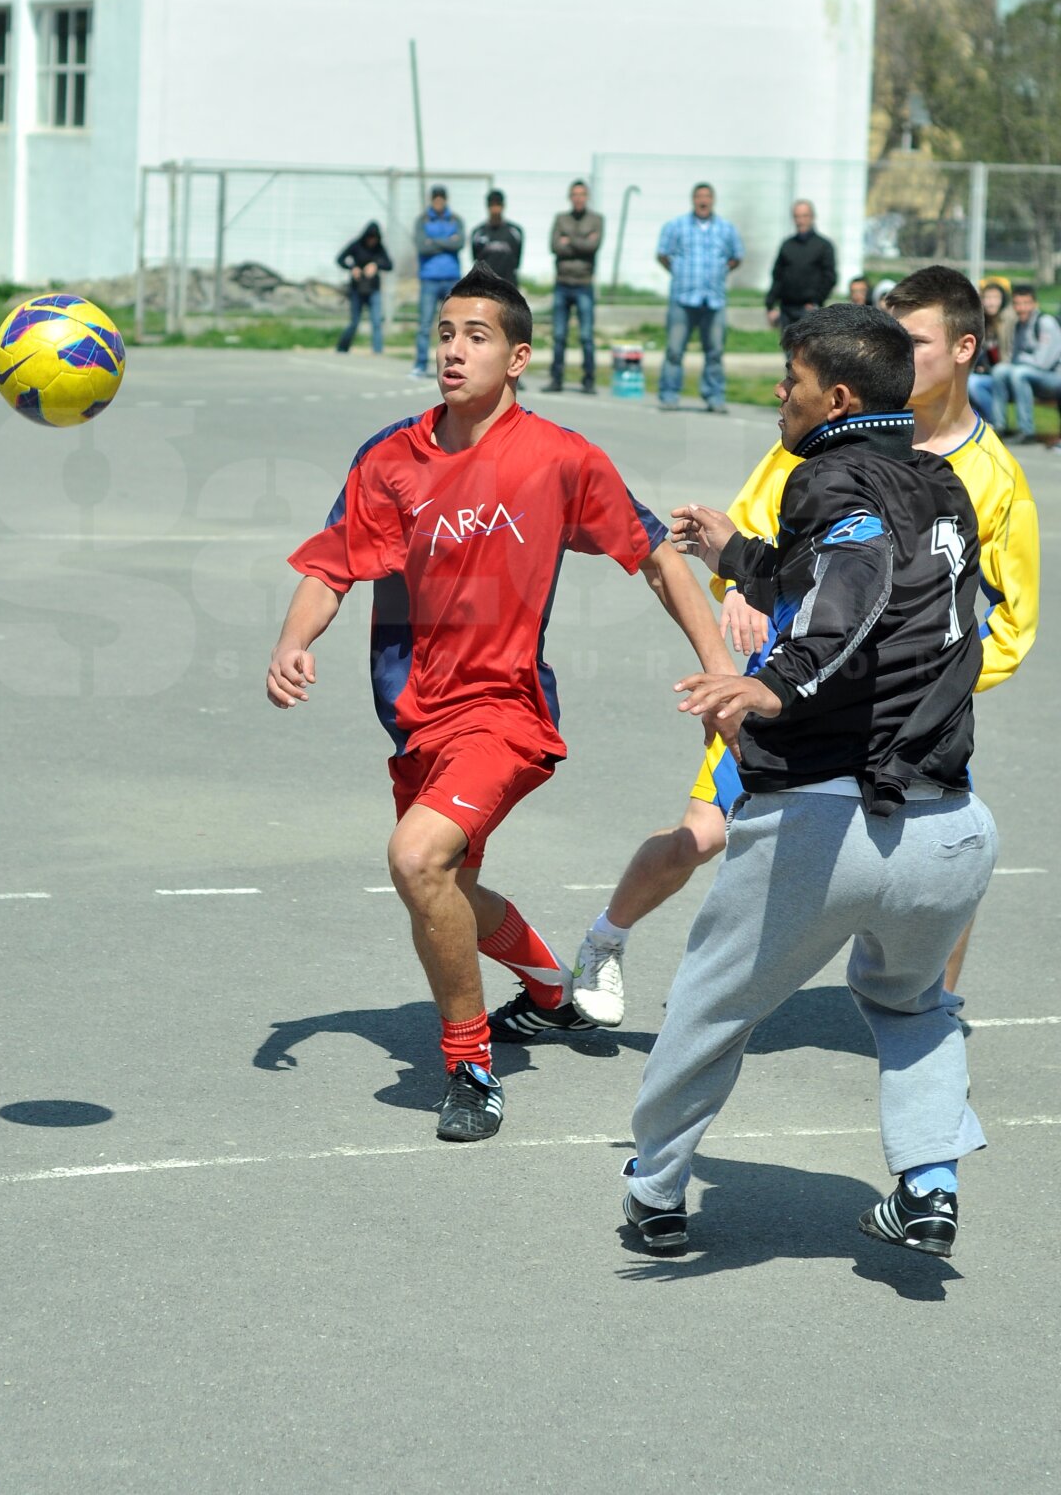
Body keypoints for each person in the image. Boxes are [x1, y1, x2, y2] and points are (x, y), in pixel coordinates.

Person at [266, 261, 733, 1145]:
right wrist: (295, 641)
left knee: (415, 859)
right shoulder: (390, 457)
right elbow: (330, 565)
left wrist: (720, 673)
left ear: (518, 357)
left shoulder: (559, 458)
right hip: (417, 715)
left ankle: (471, 1067)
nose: (453, 350)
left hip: (506, 711)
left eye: (475, 337)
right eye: (445, 332)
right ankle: (552, 990)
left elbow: (657, 556)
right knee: (445, 887)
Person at [622, 304, 996, 1260]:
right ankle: (929, 1182)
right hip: (950, 827)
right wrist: (737, 556)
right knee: (915, 1004)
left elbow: (856, 578)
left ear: (833, 398)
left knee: (711, 1005)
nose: (776, 397)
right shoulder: (941, 479)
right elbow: (866, 572)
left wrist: (772, 682)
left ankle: (657, 1191)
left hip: (829, 821)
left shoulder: (826, 475)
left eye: (787, 382)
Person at [570, 265, 1037, 1023]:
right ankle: (606, 939)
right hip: (793, 683)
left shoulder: (989, 476)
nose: (896, 349)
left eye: (913, 339)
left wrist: (925, 679)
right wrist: (742, 599)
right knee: (701, 834)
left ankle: (929, 1003)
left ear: (963, 349)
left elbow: (1011, 620)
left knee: (949, 856)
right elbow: (762, 551)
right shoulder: (817, 440)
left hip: (912, 714)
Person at [656, 183, 743, 413]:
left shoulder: (726, 229)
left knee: (714, 351)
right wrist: (680, 272)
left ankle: (714, 396)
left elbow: (736, 256)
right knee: (675, 350)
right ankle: (669, 394)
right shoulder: (677, 226)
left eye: (707, 197)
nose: (703, 201)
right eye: (699, 197)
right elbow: (663, 254)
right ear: (693, 200)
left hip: (713, 299)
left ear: (713, 200)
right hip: (683, 298)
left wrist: (720, 271)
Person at [546, 180, 603, 394]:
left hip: (584, 284)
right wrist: (581, 242)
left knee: (586, 336)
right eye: (575, 194)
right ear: (570, 197)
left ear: (587, 197)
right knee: (559, 335)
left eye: (582, 194)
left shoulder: (596, 220)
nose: (578, 198)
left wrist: (569, 240)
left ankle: (589, 380)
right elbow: (554, 246)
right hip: (562, 283)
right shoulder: (561, 218)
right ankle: (556, 379)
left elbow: (593, 247)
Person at [989, 283, 1061, 441]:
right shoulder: (1018, 326)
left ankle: (1026, 431)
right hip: (1030, 374)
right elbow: (1014, 359)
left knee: (1018, 373)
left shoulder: (1045, 323)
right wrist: (1019, 360)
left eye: (1026, 303)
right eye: (1017, 303)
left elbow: (1043, 363)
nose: (1021, 308)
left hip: (1054, 378)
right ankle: (999, 427)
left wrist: (1022, 358)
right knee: (999, 370)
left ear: (1035, 304)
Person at [411, 186, 465, 379]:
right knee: (425, 324)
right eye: (435, 199)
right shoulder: (423, 220)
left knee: (455, 325)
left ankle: (454, 364)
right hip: (429, 279)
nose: (439, 202)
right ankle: (420, 364)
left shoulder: (455, 219)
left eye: (442, 199)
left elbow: (459, 243)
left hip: (451, 278)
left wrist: (433, 241)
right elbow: (421, 245)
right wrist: (446, 242)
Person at [766, 200, 837, 335]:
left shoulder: (823, 245)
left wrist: (816, 300)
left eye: (805, 216)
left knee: (807, 353)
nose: (801, 220)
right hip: (787, 308)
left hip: (810, 309)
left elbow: (830, 277)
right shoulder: (787, 245)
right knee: (790, 354)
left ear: (812, 217)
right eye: (797, 216)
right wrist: (770, 304)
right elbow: (777, 276)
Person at [335, 221, 393, 355]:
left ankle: (377, 351)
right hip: (357, 289)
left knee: (376, 321)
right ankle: (342, 347)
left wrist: (376, 265)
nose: (372, 241)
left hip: (373, 289)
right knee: (354, 322)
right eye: (369, 238)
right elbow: (340, 259)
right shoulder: (356, 245)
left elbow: (389, 265)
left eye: (374, 238)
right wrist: (352, 268)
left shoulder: (380, 248)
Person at [967, 277, 1013, 426]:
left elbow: (1010, 355)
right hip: (989, 373)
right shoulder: (981, 322)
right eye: (988, 298)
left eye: (996, 298)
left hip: (1007, 374)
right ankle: (976, 423)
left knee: (973, 384)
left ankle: (995, 422)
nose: (991, 302)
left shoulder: (1009, 320)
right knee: (966, 380)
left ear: (1003, 300)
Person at [470, 189, 523, 287]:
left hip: (508, 284)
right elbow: (475, 259)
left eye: (498, 205)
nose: (495, 209)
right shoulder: (478, 232)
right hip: (485, 285)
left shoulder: (515, 231)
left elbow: (517, 259)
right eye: (492, 205)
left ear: (503, 206)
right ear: (487, 207)